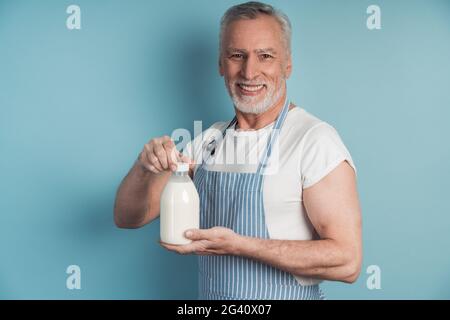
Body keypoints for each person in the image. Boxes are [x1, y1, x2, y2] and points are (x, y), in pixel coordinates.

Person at [114, 1, 362, 300]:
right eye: (237, 55)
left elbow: (347, 261)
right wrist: (145, 168)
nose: (249, 71)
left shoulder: (313, 140)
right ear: (221, 64)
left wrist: (239, 245)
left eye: (265, 56)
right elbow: (128, 217)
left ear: (287, 65)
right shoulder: (207, 142)